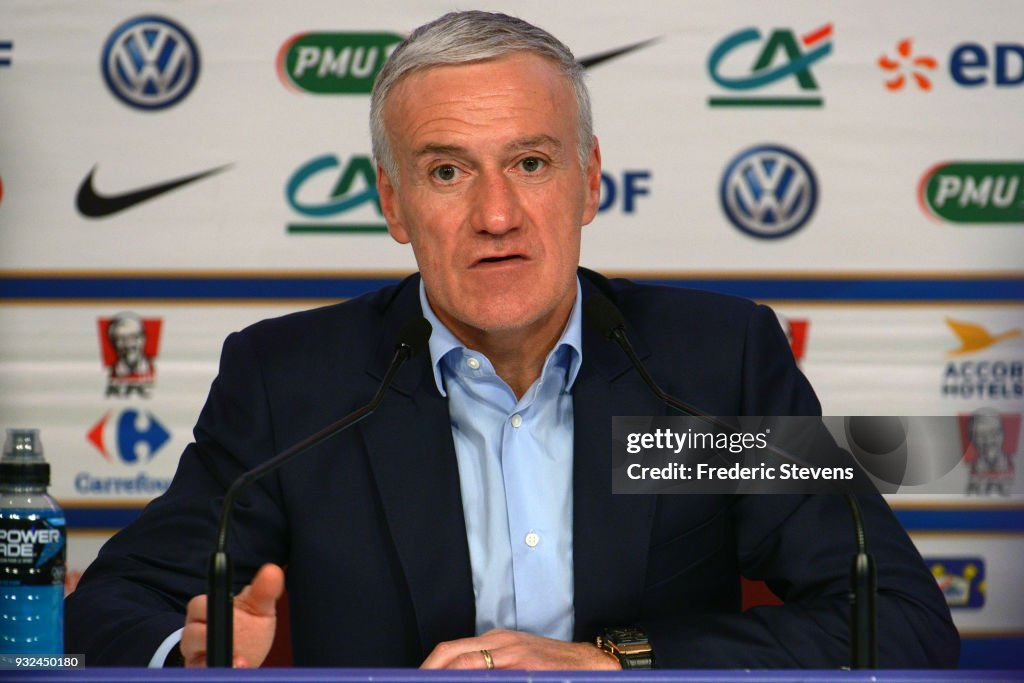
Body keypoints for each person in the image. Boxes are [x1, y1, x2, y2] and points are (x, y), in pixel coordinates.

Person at [65, 11, 958, 669]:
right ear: (392, 205)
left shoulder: (708, 367)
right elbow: (106, 608)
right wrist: (187, 657)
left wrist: (616, 660)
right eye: (447, 171)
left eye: (531, 163)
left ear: (589, 181)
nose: (496, 215)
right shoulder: (296, 383)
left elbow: (897, 620)